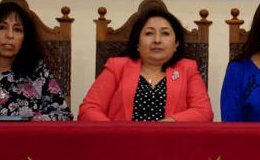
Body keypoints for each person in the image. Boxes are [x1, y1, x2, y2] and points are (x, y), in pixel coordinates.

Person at [79, 7, 213, 122]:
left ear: (176, 44)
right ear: (137, 42)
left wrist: (169, 124)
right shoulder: (116, 67)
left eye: (165, 33)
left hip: (171, 145)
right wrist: (115, 131)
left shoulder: (187, 69)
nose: (157, 40)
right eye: (149, 33)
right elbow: (88, 110)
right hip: (122, 145)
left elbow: (204, 112)